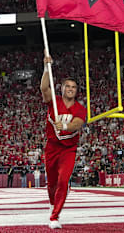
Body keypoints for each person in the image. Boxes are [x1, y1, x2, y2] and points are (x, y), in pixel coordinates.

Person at [41, 52, 87, 230]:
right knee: (52, 183)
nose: (70, 89)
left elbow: (77, 124)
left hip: (68, 149)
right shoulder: (54, 101)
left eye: (73, 87)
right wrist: (46, 68)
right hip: (52, 147)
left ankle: (55, 216)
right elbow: (44, 89)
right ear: (61, 88)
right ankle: (53, 204)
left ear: (76, 90)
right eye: (67, 86)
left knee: (63, 180)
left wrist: (65, 126)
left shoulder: (80, 109)